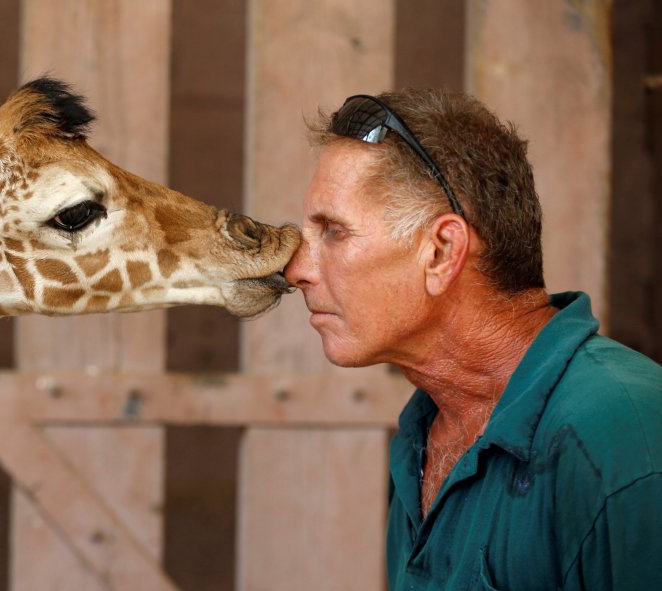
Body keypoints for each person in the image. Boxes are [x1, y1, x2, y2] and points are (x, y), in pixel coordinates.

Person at [283, 89, 662, 589]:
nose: (297, 270)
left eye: (333, 231)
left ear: (442, 252)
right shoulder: (423, 435)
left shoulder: (623, 432)